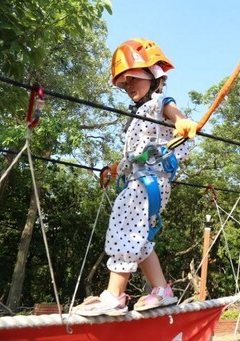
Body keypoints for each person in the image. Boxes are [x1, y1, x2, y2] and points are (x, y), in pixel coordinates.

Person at [73, 38, 197, 316]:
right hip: (142, 179)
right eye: (123, 84)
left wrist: (181, 122)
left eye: (132, 79)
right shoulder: (139, 115)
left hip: (148, 183)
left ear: (152, 76)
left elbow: (173, 110)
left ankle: (114, 295)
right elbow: (137, 154)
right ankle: (162, 290)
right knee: (139, 238)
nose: (128, 87)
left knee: (124, 227)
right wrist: (116, 168)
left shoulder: (157, 104)